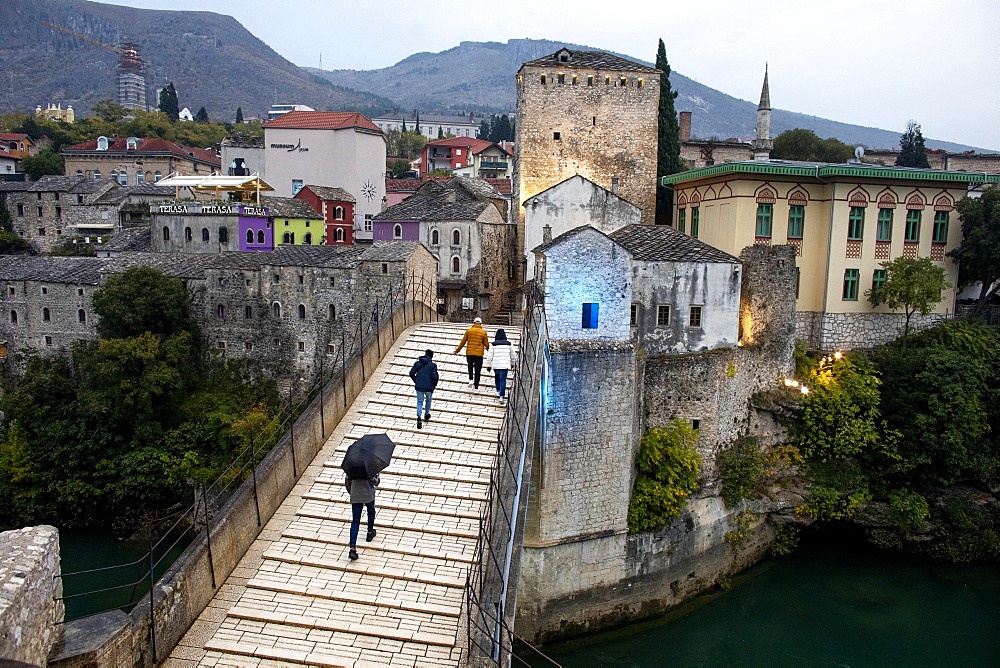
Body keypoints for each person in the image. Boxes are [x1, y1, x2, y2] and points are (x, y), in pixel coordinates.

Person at [345, 472, 378, 561]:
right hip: (368, 494)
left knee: (355, 521)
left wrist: (352, 492)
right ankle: (370, 533)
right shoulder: (370, 465)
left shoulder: (352, 465)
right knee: (371, 511)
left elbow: (347, 481)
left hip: (355, 495)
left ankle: (352, 549)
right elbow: (376, 481)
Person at [454, 317, 490, 391]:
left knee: (470, 366)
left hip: (469, 353)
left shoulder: (468, 331)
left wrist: (457, 350)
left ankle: (470, 379)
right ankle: (476, 387)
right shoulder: (483, 332)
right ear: (480, 323)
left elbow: (463, 342)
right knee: (477, 370)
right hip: (479, 355)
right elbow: (487, 344)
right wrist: (490, 352)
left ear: (473, 323)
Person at [409, 348, 439, 429]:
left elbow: (411, 373)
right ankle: (426, 414)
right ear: (431, 357)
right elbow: (435, 376)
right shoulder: (433, 365)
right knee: (428, 400)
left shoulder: (417, 363)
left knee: (419, 402)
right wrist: (434, 385)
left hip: (419, 387)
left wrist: (416, 381)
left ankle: (419, 417)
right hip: (429, 387)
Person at [485, 329, 516, 404]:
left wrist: (488, 365)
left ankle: (498, 390)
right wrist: (512, 364)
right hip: (505, 366)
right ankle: (501, 396)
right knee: (503, 380)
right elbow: (513, 356)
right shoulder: (509, 344)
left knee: (497, 377)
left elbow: (489, 356)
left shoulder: (493, 344)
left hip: (496, 365)